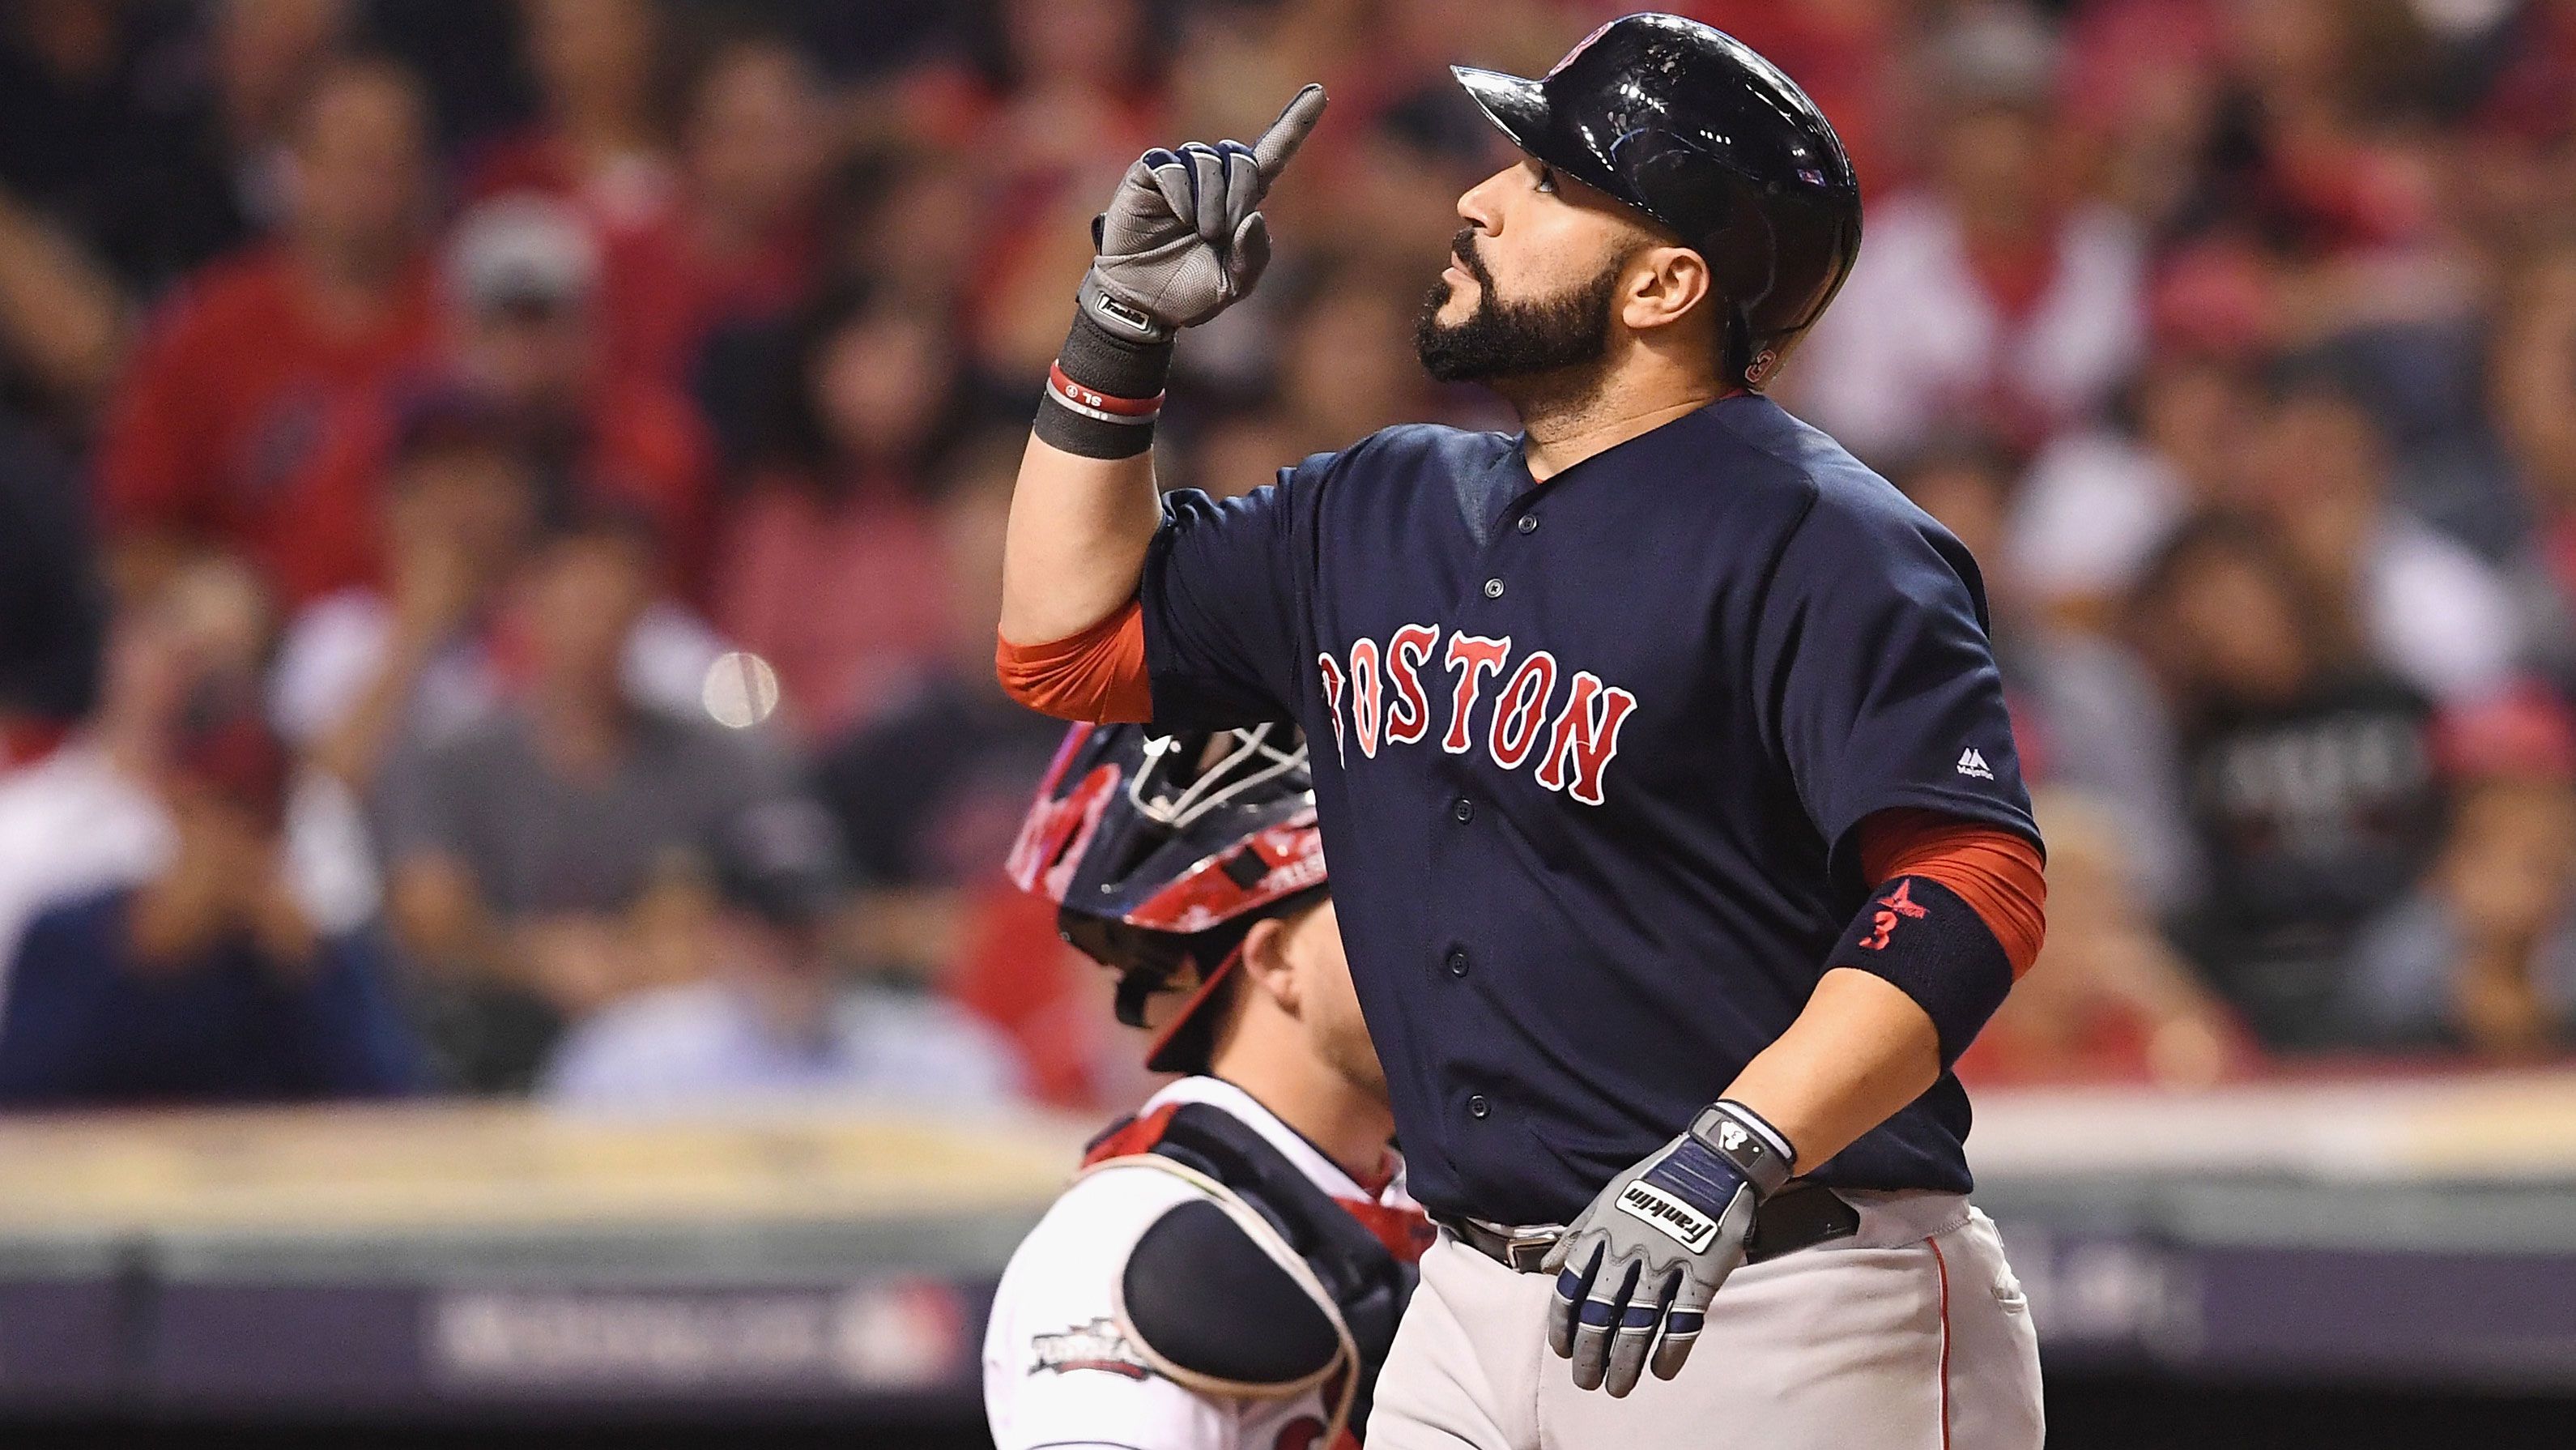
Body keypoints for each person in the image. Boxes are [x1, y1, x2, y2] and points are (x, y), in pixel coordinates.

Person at [993, 15, 2045, 1445]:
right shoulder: (1375, 504)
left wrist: (1736, 1147)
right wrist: (1119, 333)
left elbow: (1970, 887)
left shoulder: (1827, 539)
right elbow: (1064, 646)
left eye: (1550, 180)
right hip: (1469, 1298)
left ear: (1666, 282)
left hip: (1781, 1286)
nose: (1480, 197)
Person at [986, 722, 1431, 1450]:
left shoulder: (1440, 1194)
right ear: (1276, 959)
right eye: (1392, 906)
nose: (1451, 948)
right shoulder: (1130, 1238)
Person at [0, 697, 420, 1105]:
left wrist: (315, 979)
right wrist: (134, 963)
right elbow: (23, 1100)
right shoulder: (69, 936)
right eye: (224, 806)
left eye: (262, 816)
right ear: (177, 803)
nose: (238, 836)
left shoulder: (309, 950)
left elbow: (402, 1112)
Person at [540, 792, 1023, 1108]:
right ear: (722, 931)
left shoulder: (942, 1059)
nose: (793, 945)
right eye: (771, 925)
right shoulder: (628, 1062)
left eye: (811, 922)